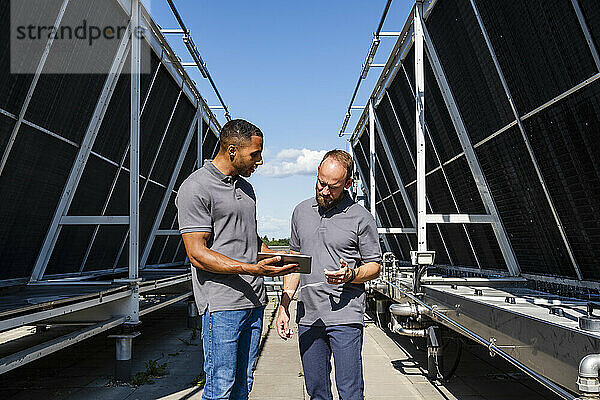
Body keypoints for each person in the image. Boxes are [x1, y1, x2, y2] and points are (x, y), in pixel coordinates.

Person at [176, 119, 298, 400]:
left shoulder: (247, 189)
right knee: (221, 387)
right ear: (232, 150)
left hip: (254, 302)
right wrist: (251, 268)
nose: (261, 161)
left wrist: (283, 260)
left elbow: (250, 241)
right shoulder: (195, 187)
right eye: (255, 154)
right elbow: (197, 253)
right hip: (221, 306)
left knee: (244, 384)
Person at [276, 149, 382, 400]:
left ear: (348, 183)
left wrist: (351, 274)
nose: (324, 191)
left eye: (332, 187)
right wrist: (284, 305)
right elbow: (295, 263)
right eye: (321, 182)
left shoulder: (361, 218)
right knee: (317, 392)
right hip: (309, 318)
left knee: (350, 392)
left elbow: (375, 266)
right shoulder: (300, 211)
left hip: (345, 316)